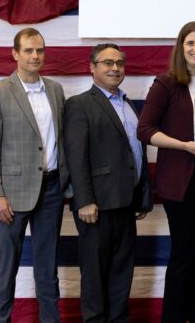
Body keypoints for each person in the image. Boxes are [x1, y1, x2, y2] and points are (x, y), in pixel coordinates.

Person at [137, 21, 195, 323]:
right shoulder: (165, 84)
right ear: (181, 47)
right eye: (190, 43)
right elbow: (145, 130)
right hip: (182, 181)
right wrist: (184, 146)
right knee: (184, 257)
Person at [0, 27, 70, 323]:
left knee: (48, 266)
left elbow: (61, 141)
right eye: (28, 50)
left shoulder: (55, 90)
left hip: (52, 190)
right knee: (6, 267)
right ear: (15, 54)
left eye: (39, 50)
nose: (35, 56)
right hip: (11, 195)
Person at [64, 43, 153, 322]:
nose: (115, 68)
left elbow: (135, 152)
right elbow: (76, 156)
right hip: (97, 206)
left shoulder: (128, 104)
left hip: (126, 202)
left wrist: (143, 195)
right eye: (108, 63)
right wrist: (84, 200)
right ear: (92, 68)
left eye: (119, 63)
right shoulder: (79, 104)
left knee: (121, 274)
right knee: (94, 275)